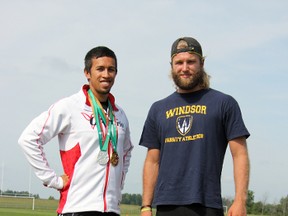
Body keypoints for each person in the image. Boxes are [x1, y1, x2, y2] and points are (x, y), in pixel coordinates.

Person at [139, 37, 250, 216]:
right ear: (172, 65)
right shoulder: (158, 109)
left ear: (202, 63)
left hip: (207, 205)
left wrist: (240, 200)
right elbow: (152, 160)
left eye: (191, 62)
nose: (185, 68)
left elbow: (239, 154)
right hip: (166, 205)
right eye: (179, 62)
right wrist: (145, 206)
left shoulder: (224, 103)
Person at [18, 46, 133, 216]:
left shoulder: (119, 114)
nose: (106, 75)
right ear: (87, 73)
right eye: (100, 69)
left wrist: (118, 185)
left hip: (111, 210)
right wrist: (52, 180)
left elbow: (127, 151)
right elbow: (28, 139)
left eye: (111, 69)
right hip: (77, 208)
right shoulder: (69, 107)